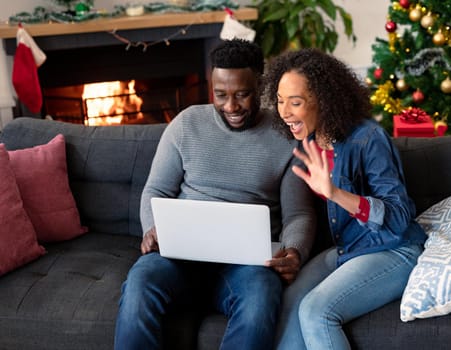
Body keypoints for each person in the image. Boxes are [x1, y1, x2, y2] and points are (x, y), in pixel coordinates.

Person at [114, 39, 316, 350]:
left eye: (242, 95)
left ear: (261, 86)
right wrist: (152, 230)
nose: (231, 106)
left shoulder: (286, 137)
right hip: (179, 256)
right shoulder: (186, 124)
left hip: (246, 266)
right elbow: (156, 190)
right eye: (220, 95)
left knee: (261, 296)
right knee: (140, 283)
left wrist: (295, 252)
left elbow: (298, 214)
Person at [264, 48, 427, 349]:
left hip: (393, 249)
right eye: (280, 100)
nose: (285, 112)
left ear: (323, 102)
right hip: (348, 248)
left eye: (295, 102)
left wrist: (336, 194)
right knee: (288, 301)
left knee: (316, 311)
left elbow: (399, 217)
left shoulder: (369, 138)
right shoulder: (309, 142)